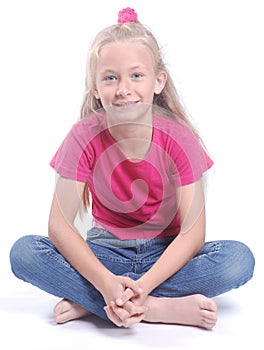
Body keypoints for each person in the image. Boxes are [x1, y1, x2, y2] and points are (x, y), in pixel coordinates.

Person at [9, 7, 255, 330]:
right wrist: (106, 281)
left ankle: (105, 303)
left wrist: (143, 284)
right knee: (23, 252)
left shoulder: (179, 139)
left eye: (136, 75)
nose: (123, 88)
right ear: (96, 88)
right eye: (110, 78)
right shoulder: (83, 136)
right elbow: (59, 227)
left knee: (239, 260)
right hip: (105, 254)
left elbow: (193, 235)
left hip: (165, 256)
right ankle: (139, 305)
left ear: (158, 81)